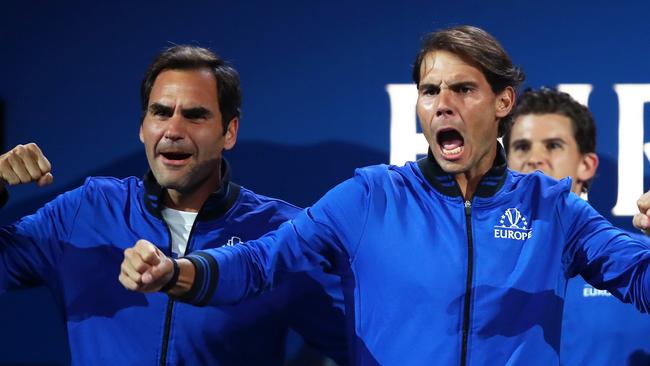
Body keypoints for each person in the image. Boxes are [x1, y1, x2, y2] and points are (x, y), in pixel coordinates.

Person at [120, 26, 650, 365]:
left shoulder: (551, 208)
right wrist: (177, 272)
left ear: (503, 102)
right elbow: (261, 261)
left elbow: (639, 276)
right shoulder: (370, 198)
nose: (443, 105)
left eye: (463, 89)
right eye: (429, 91)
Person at [0, 45, 347, 365]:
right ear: (142, 127)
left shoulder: (281, 233)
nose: (173, 130)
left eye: (195, 116)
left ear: (229, 132)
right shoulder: (86, 210)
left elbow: (366, 345)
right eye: (161, 113)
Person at [503, 87, 650, 365]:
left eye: (553, 145)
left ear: (586, 165)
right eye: (521, 146)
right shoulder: (480, 263)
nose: (534, 158)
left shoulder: (641, 259)